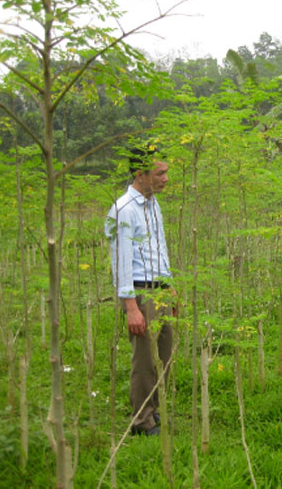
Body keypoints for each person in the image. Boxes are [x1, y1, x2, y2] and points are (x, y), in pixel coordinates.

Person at [105, 145, 174, 437]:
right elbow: (120, 261)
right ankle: (142, 421)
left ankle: (154, 409)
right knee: (144, 360)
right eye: (159, 173)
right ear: (140, 174)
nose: (165, 178)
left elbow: (159, 250)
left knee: (165, 353)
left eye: (166, 172)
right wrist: (131, 306)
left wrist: (171, 288)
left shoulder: (152, 203)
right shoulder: (123, 210)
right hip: (140, 292)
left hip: (161, 290)